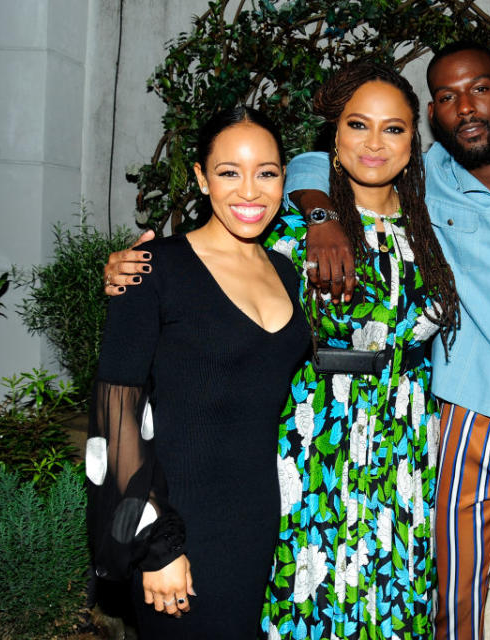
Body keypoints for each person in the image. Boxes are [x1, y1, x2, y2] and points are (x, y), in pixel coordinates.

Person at [104, 43, 490, 640]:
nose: (463, 108)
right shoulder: (333, 207)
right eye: (444, 97)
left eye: (479, 90)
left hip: (461, 426)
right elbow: (265, 186)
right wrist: (148, 267)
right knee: (369, 603)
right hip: (350, 432)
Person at [86, 106, 310, 639]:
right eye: (229, 171)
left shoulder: (284, 268)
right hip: (177, 521)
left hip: (256, 518)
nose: (250, 191)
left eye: (268, 172)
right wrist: (156, 544)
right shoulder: (152, 268)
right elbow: (116, 416)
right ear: (201, 178)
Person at [255, 61, 458, 640]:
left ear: (413, 141)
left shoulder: (436, 225)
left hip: (408, 435)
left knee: (396, 589)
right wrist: (138, 274)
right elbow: (213, 280)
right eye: (358, 126)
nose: (375, 143)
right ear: (334, 141)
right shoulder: (291, 228)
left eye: (393, 129)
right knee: (311, 589)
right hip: (313, 430)